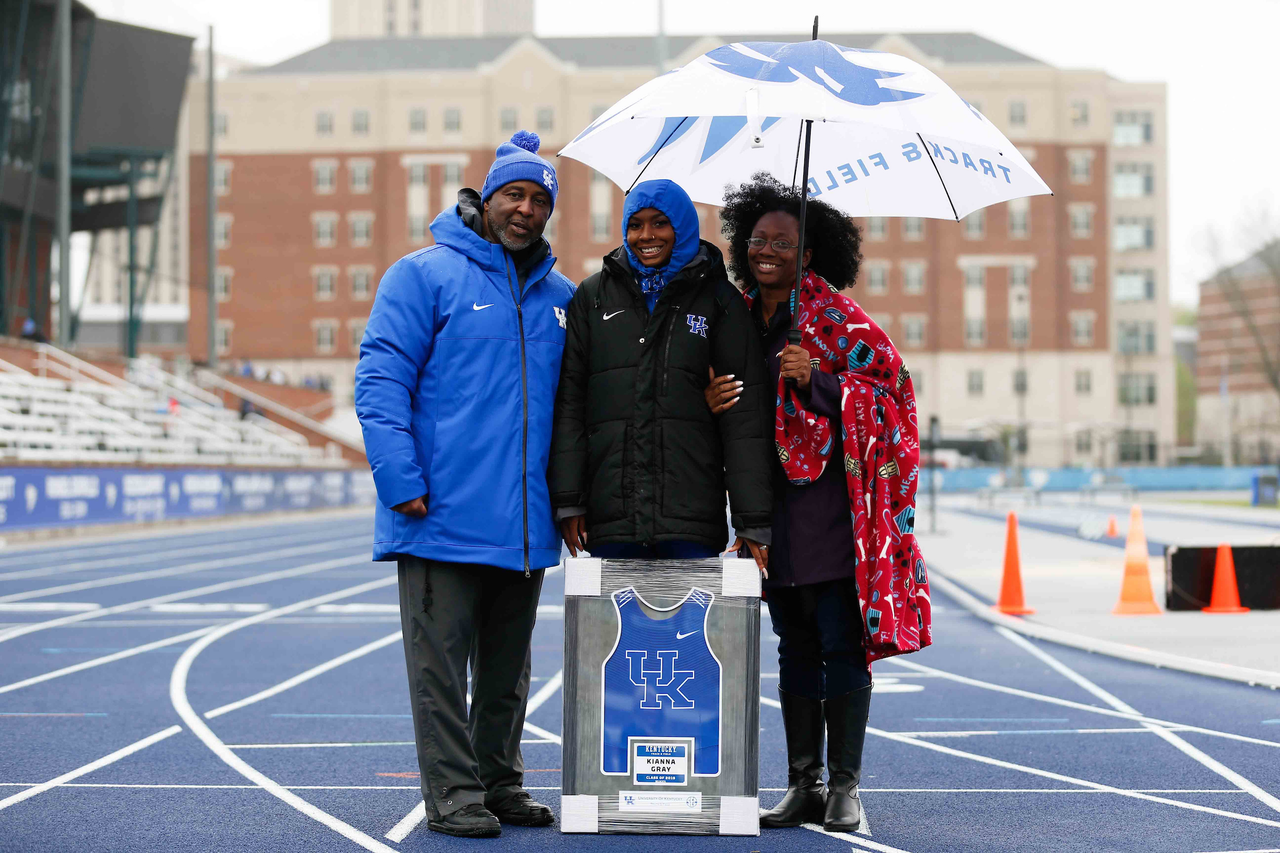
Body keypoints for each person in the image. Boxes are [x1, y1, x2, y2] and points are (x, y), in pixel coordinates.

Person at [354, 131, 573, 839]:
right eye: (516, 194)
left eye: (541, 200)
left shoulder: (563, 298)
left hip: (524, 524)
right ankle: (452, 790)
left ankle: (499, 780)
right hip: (438, 512)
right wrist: (400, 479)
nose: (527, 210)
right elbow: (380, 378)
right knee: (442, 672)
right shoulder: (421, 275)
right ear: (486, 198)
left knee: (508, 672)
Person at [708, 174, 933, 832]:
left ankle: (845, 787)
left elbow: (894, 398)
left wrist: (825, 382)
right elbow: (729, 396)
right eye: (758, 239)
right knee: (793, 648)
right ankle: (801, 781)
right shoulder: (740, 317)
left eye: (783, 241)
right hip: (771, 514)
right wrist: (712, 398)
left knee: (842, 645)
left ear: (808, 254)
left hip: (836, 517)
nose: (767, 250)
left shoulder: (836, 319)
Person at [548, 179, 771, 568]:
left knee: (687, 631)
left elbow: (745, 413)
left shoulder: (720, 301)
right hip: (610, 516)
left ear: (682, 226)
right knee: (616, 631)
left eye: (659, 223)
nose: (645, 235)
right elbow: (571, 402)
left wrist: (752, 520)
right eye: (635, 224)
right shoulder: (592, 297)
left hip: (690, 518)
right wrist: (569, 500)